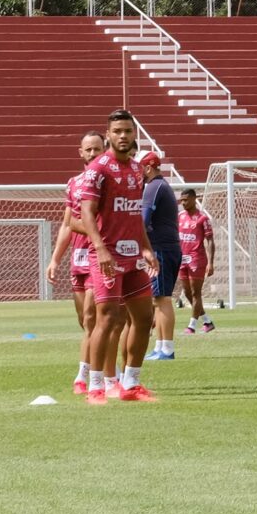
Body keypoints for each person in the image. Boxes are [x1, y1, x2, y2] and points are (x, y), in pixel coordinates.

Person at [76, 111, 155, 404]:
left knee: (144, 318)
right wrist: (99, 248)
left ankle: (130, 383)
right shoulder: (98, 169)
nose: (123, 136)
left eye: (128, 131)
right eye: (118, 131)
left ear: (134, 134)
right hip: (108, 256)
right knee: (107, 318)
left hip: (134, 256)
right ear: (108, 134)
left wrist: (146, 248)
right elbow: (86, 213)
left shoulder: (137, 169)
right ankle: (96, 386)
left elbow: (134, 214)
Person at [52, 135, 103, 394]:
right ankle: (103, 369)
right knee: (84, 320)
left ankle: (85, 376)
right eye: (89, 149)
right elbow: (67, 224)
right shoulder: (74, 183)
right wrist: (55, 259)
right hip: (78, 259)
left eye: (97, 149)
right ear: (80, 152)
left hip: (99, 256)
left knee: (93, 319)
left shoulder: (108, 182)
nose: (93, 153)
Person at [140, 151, 181, 365]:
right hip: (165, 247)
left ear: (148, 168)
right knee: (157, 299)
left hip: (162, 249)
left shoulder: (154, 187)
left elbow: (144, 220)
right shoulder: (160, 186)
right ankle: (159, 346)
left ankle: (167, 348)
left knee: (162, 298)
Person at [177, 187, 216, 333]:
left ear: (194, 199)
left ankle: (191, 326)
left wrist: (211, 263)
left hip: (196, 259)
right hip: (182, 259)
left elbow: (210, 240)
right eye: (182, 200)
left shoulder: (202, 219)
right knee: (187, 293)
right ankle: (207, 321)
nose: (183, 203)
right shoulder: (179, 216)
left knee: (195, 293)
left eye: (186, 200)